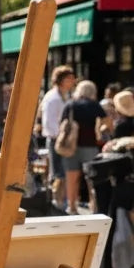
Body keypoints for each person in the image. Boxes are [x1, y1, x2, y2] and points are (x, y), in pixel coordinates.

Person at [60, 80, 107, 215]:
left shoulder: (70, 104)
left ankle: (72, 207)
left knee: (71, 177)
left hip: (71, 146)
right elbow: (107, 122)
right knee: (91, 178)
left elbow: (62, 123)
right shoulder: (94, 105)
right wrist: (100, 129)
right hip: (90, 146)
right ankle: (93, 206)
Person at [39, 65, 76, 206]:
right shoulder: (53, 98)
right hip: (56, 140)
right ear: (60, 80)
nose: (72, 81)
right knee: (58, 173)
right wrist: (61, 136)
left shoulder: (64, 96)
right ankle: (57, 203)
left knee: (63, 172)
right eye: (69, 79)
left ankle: (61, 203)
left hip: (62, 139)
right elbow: (49, 123)